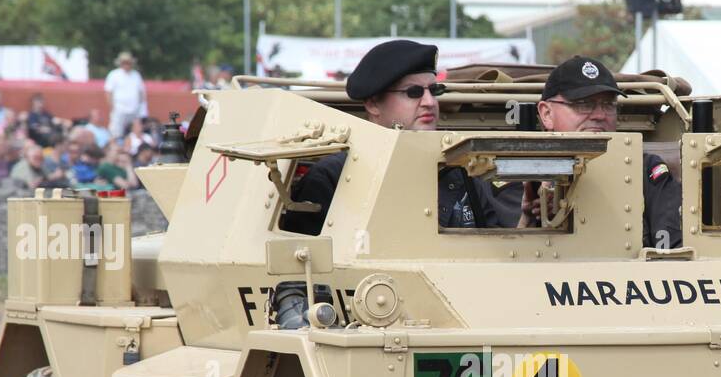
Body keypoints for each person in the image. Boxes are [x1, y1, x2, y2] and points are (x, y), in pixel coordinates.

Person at [288, 39, 500, 235]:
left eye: (434, 90)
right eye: (413, 92)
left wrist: (526, 217)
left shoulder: (461, 170)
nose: (429, 102)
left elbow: (494, 251)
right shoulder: (332, 176)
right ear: (372, 103)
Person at [528, 56, 681, 249]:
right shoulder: (519, 169)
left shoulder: (643, 169)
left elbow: (671, 250)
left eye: (608, 105)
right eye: (583, 104)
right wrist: (529, 216)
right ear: (547, 114)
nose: (600, 115)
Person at [105, 51, 147, 141]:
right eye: (124, 62)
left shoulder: (136, 75)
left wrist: (141, 107)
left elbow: (141, 92)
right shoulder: (114, 75)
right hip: (119, 109)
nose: (126, 65)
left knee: (135, 131)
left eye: (128, 62)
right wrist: (112, 107)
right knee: (115, 132)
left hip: (134, 110)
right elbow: (108, 92)